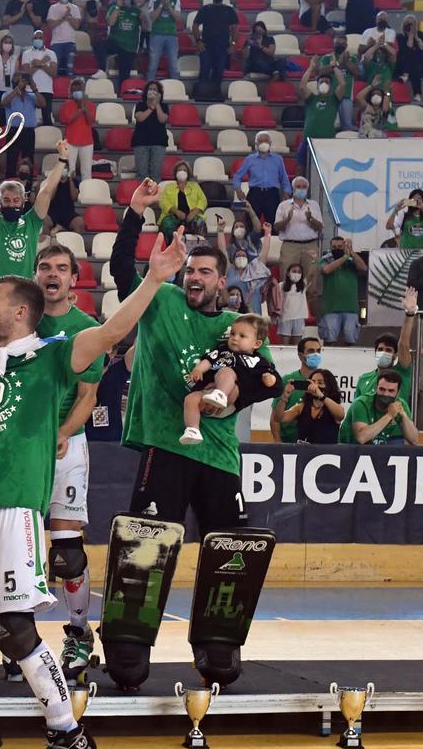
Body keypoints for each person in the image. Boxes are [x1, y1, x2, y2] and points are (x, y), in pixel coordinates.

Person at [0, 175, 180, 749]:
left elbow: (112, 333)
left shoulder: (54, 354)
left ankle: (66, 731)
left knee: (15, 630)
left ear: (22, 311)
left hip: (13, 517)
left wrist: (153, 278)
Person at [109, 178, 273, 544]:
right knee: (146, 555)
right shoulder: (161, 299)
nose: (194, 279)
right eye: (189, 272)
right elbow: (121, 269)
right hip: (165, 446)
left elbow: (268, 379)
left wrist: (231, 400)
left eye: (204, 272)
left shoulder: (239, 326)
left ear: (222, 282)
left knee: (229, 555)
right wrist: (136, 212)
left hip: (219, 455)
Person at [31, 243, 105, 681]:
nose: (52, 274)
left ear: (74, 279)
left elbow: (88, 395)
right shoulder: (22, 319)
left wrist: (60, 433)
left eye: (61, 268)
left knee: (66, 550)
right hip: (19, 444)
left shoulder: (85, 328)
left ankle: (79, 632)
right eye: (45, 267)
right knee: (12, 542)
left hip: (66, 445)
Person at [0, 140, 69, 279]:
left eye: (16, 200)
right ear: (0, 202)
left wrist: (62, 159)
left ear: (23, 201)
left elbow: (46, 191)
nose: (11, 204)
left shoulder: (31, 222)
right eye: (6, 200)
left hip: (24, 290)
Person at [180, 313, 280, 446]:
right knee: (190, 398)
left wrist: (269, 379)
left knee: (226, 372)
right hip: (205, 396)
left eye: (242, 336)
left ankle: (221, 393)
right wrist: (198, 370)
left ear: (256, 344)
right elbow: (208, 360)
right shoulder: (222, 350)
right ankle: (193, 429)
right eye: (232, 334)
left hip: (228, 400)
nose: (234, 338)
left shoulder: (258, 360)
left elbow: (270, 376)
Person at [356, 289, 417, 404]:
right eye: (380, 349)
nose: (383, 352)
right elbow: (355, 411)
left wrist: (409, 314)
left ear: (395, 355)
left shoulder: (402, 373)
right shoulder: (364, 379)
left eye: (388, 350)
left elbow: (403, 345)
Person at [274, 176, 323, 316]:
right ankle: (286, 315)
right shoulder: (283, 205)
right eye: (299, 187)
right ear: (293, 188)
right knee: (287, 282)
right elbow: (277, 227)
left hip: (310, 246)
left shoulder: (313, 205)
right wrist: (288, 219)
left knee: (311, 284)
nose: (301, 189)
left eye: (304, 187)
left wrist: (311, 218)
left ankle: (311, 319)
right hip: (290, 246)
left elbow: (320, 227)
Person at [340, 370, 418, 445]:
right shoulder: (361, 403)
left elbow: (414, 441)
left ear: (398, 392)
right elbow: (361, 438)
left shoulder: (400, 404)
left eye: (391, 391)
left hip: (376, 446)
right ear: (376, 387)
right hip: (348, 447)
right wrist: (389, 415)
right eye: (382, 389)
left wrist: (403, 415)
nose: (385, 394)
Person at [269, 335, 322, 442]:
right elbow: (275, 417)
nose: (316, 354)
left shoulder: (325, 381)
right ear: (301, 356)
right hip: (288, 443)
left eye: (319, 351)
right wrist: (277, 442)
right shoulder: (287, 380)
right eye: (311, 351)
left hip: (316, 445)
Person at [231, 132, 291, 225]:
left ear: (270, 143)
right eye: (261, 141)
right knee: (251, 224)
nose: (263, 143)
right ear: (256, 144)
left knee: (273, 224)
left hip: (272, 194)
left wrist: (287, 192)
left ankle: (272, 240)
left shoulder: (278, 159)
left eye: (266, 141)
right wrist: (238, 189)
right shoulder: (249, 159)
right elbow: (237, 176)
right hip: (255, 194)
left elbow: (284, 178)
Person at [218, 215, 272, 317]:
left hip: (254, 311)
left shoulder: (254, 270)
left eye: (243, 255)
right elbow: (222, 250)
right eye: (238, 255)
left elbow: (264, 252)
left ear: (248, 259)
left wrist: (267, 233)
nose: (241, 256)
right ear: (233, 260)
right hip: (234, 312)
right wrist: (220, 231)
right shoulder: (229, 270)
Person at [272, 368, 344, 444]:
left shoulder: (333, 407)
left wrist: (321, 395)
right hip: (304, 452)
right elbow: (279, 418)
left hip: (326, 454)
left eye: (320, 382)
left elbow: (341, 415)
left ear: (329, 386)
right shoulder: (301, 407)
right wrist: (285, 396)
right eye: (313, 382)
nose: (315, 386)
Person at [298, 64, 346, 169]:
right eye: (321, 82)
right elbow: (302, 86)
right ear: (317, 85)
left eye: (327, 82)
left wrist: (334, 67)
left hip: (327, 141)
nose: (324, 84)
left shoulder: (334, 100)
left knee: (325, 169)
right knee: (300, 167)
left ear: (330, 85)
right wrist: (310, 67)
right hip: (308, 139)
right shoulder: (311, 98)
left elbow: (342, 84)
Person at [319, 236, 366, 345]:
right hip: (330, 308)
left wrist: (351, 252)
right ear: (330, 247)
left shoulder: (351, 261)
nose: (337, 249)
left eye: (340, 246)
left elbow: (363, 268)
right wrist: (345, 256)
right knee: (330, 338)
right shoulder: (325, 259)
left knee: (350, 337)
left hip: (350, 307)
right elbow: (326, 270)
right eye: (334, 247)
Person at [0, 72, 42, 178]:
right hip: (14, 130)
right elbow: (3, 103)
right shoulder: (7, 94)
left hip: (28, 131)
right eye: (17, 79)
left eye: (22, 79)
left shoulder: (31, 96)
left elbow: (43, 104)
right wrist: (17, 89)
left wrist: (35, 89)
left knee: (28, 159)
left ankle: (27, 185)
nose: (20, 81)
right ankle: (9, 183)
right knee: (12, 158)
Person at [319, 32, 363, 131]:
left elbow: (357, 73)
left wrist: (347, 62)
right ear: (333, 44)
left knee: (347, 125)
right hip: (330, 95)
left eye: (342, 44)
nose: (340, 46)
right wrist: (336, 64)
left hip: (347, 95)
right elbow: (321, 72)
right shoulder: (327, 57)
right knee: (331, 124)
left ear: (346, 45)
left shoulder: (352, 58)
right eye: (337, 43)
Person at [158, 160, 206, 240]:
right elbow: (163, 202)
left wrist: (194, 213)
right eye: (179, 170)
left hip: (192, 215)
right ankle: (171, 248)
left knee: (200, 223)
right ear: (175, 172)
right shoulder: (168, 187)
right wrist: (176, 212)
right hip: (172, 216)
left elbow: (203, 200)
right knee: (167, 225)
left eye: (184, 170)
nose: (182, 172)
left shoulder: (195, 186)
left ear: (188, 173)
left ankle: (198, 248)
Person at [193, 0, 236, 86]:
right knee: (204, 71)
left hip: (223, 47)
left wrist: (233, 44)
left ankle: (215, 94)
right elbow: (195, 25)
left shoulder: (229, 10)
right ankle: (202, 95)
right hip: (206, 46)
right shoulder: (205, 9)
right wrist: (198, 41)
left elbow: (235, 28)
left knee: (219, 72)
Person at [132, 81, 168, 185]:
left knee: (155, 174)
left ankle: (154, 199)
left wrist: (157, 104)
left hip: (158, 142)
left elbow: (162, 119)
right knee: (142, 174)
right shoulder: (140, 105)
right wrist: (151, 107)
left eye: (155, 90)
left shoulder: (163, 106)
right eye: (150, 89)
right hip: (141, 142)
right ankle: (141, 198)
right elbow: (140, 118)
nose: (152, 91)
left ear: (159, 93)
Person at [58, 80, 94, 181]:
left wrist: (85, 109)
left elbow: (91, 121)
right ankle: (70, 193)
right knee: (71, 170)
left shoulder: (90, 105)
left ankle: (86, 192)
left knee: (86, 170)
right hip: (70, 141)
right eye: (74, 90)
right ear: (71, 92)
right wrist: (79, 110)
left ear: (83, 91)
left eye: (79, 89)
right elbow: (67, 120)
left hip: (87, 142)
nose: (77, 92)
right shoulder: (66, 106)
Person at [20, 30, 58, 125]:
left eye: (40, 38)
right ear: (32, 39)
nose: (38, 40)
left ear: (44, 39)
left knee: (47, 119)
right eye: (36, 38)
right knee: (28, 119)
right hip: (30, 90)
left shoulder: (51, 53)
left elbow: (53, 73)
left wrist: (38, 63)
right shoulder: (26, 53)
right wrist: (43, 62)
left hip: (47, 90)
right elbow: (26, 73)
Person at [106, 0, 142, 89]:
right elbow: (110, 22)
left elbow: (146, 25)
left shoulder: (137, 11)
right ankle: (101, 71)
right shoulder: (114, 8)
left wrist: (142, 8)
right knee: (99, 45)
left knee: (125, 69)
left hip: (129, 47)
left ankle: (122, 91)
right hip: (115, 43)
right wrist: (118, 7)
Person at [0, 35, 22, 127]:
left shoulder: (14, 59)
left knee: (6, 118)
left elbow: (17, 77)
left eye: (9, 43)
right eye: (5, 42)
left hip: (9, 92)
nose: (7, 44)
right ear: (1, 44)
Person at [147, 0, 181, 81]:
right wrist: (161, 4)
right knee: (153, 65)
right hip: (156, 35)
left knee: (174, 65)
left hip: (171, 35)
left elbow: (178, 19)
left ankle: (175, 89)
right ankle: (149, 88)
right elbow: (152, 18)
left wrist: (169, 6)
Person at [48, 0, 82, 77]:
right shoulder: (53, 8)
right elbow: (50, 25)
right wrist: (63, 18)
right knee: (55, 68)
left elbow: (77, 26)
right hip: (56, 42)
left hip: (70, 42)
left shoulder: (75, 8)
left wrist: (68, 17)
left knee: (70, 69)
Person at [396, 14, 423, 103]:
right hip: (403, 64)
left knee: (415, 58)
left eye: (412, 24)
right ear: (404, 25)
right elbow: (405, 51)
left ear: (415, 25)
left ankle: (405, 75)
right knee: (410, 55)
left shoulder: (420, 34)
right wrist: (410, 37)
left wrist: (416, 37)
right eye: (407, 23)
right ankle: (417, 94)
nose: (409, 26)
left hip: (419, 65)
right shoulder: (400, 36)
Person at [275, 263, 308, 343]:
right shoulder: (281, 285)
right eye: (294, 271)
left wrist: (313, 260)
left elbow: (312, 274)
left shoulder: (303, 286)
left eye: (299, 272)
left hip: (299, 318)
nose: (296, 273)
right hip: (285, 319)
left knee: (296, 347)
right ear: (288, 273)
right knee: (284, 346)